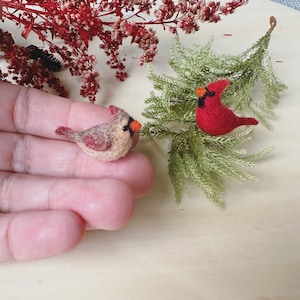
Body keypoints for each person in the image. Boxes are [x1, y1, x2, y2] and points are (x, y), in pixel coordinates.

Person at [0, 81, 155, 263]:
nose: (132, 128)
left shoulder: (121, 139)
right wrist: (75, 136)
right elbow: (87, 139)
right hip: (82, 140)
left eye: (131, 126)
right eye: (127, 128)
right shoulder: (105, 140)